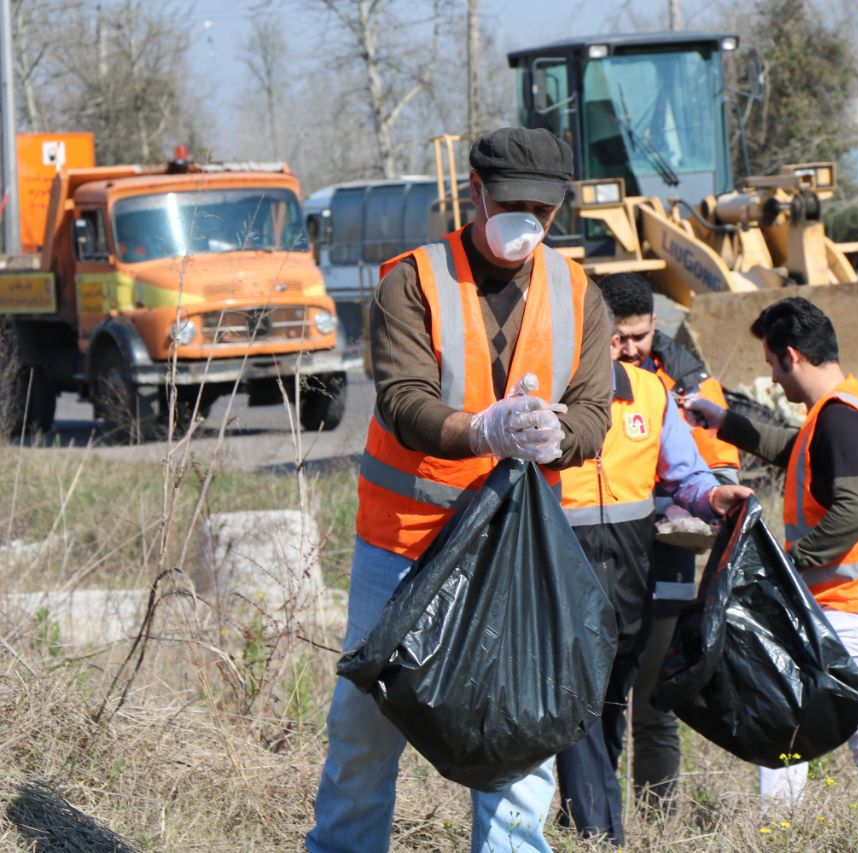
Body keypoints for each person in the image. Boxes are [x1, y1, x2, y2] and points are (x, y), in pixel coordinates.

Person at [307, 127, 614, 853]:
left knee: (520, 728)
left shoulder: (579, 293)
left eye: (543, 210)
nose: (527, 222)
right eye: (512, 204)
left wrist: (552, 434)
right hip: (407, 545)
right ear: (475, 193)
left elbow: (595, 416)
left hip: (521, 552)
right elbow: (404, 400)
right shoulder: (413, 280)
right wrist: (481, 431)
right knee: (365, 731)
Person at [683, 296, 858, 811]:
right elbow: (790, 450)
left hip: (857, 608)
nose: (773, 378)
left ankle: (779, 832)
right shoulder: (840, 409)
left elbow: (854, 512)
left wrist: (786, 567)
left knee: (780, 714)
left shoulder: (839, 420)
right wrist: (720, 420)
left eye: (773, 365)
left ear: (792, 356)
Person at [553, 310, 752, 846]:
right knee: (580, 703)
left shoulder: (649, 393)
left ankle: (586, 821)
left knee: (613, 704)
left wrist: (712, 495)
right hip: (561, 566)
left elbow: (683, 472)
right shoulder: (544, 391)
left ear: (613, 341)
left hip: (631, 574)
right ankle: (598, 832)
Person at [596, 273, 742, 814]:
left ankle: (659, 822)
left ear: (655, 325)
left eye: (639, 336)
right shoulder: (583, 372)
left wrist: (701, 501)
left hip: (669, 554)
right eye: (619, 337)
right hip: (603, 555)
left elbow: (716, 464)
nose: (630, 348)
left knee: (655, 702)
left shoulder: (684, 377)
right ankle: (593, 816)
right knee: (598, 698)